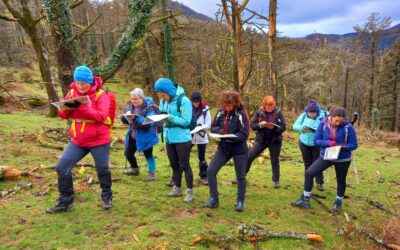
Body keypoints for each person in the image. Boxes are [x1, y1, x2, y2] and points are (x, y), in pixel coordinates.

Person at [46, 66, 113, 213]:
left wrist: (82, 107)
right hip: (78, 140)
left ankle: (107, 197)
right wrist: (68, 107)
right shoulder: (71, 92)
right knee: (61, 168)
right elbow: (63, 115)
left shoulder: (101, 95)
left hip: (99, 140)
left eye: (83, 83)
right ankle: (66, 202)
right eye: (77, 83)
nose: (80, 86)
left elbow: (101, 116)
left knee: (102, 169)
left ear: (90, 81)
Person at [291, 107, 358, 212]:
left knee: (341, 180)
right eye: (336, 120)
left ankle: (338, 203)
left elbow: (354, 144)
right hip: (327, 155)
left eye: (341, 121)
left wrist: (341, 147)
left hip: (343, 158)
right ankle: (305, 199)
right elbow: (316, 140)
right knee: (309, 173)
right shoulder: (323, 124)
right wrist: (328, 143)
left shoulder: (348, 127)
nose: (338, 123)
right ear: (330, 117)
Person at [205, 90, 249, 212]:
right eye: (226, 105)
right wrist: (219, 132)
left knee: (240, 176)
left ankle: (240, 201)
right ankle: (214, 198)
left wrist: (232, 136)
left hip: (239, 149)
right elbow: (213, 127)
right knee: (210, 170)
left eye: (230, 105)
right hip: (224, 148)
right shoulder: (220, 112)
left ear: (235, 104)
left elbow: (245, 133)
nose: (227, 108)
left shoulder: (241, 114)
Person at [154, 78, 194, 203]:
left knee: (184, 164)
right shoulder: (163, 101)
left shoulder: (184, 101)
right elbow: (163, 114)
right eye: (160, 95)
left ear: (169, 90)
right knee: (174, 165)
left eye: (164, 95)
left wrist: (171, 118)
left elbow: (186, 121)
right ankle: (177, 188)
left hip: (182, 138)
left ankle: (190, 191)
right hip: (169, 138)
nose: (163, 97)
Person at [245, 96, 286, 188]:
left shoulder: (278, 113)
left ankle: (276, 180)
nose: (270, 108)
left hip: (275, 140)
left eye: (271, 106)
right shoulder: (259, 112)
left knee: (274, 160)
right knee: (250, 156)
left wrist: (275, 128)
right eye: (268, 106)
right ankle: (242, 176)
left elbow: (283, 127)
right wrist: (261, 126)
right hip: (261, 140)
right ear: (264, 105)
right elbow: (253, 125)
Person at [121, 88, 159, 181]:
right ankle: (135, 169)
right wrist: (124, 117)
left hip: (146, 136)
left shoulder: (150, 107)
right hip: (133, 135)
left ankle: (152, 174)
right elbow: (126, 120)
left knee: (148, 154)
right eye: (132, 99)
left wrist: (135, 118)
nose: (134, 101)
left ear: (142, 98)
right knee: (128, 153)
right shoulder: (131, 107)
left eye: (136, 98)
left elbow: (149, 123)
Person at [292, 100, 326, 191]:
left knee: (317, 164)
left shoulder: (323, 117)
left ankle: (319, 182)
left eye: (313, 113)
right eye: (309, 112)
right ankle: (308, 181)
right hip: (303, 143)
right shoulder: (303, 116)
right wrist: (303, 127)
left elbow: (327, 128)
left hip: (316, 144)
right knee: (307, 163)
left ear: (317, 112)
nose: (311, 114)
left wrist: (318, 130)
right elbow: (294, 126)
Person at [190, 91, 212, 185]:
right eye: (194, 102)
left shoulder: (206, 109)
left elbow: (208, 125)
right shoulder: (188, 108)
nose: (196, 104)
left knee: (201, 157)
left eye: (197, 102)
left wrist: (200, 126)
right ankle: (181, 175)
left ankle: (204, 176)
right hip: (189, 135)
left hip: (201, 135)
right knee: (184, 155)